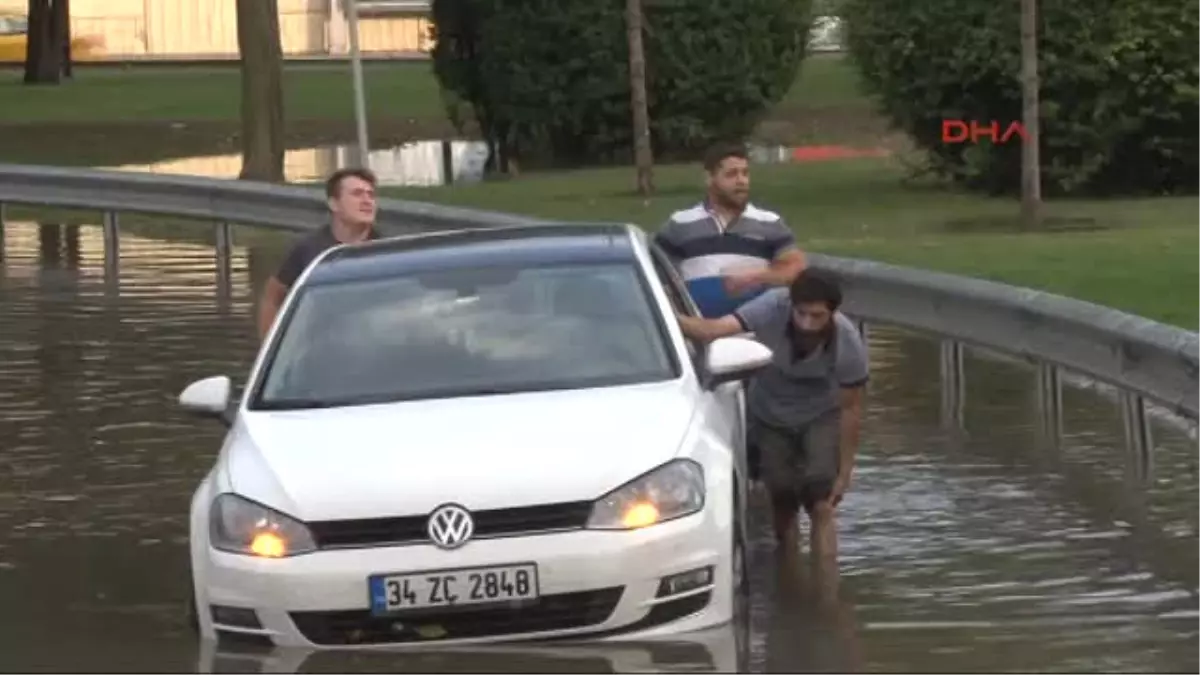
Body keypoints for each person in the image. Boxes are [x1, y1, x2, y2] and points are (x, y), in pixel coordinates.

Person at [675, 270, 868, 565]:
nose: (807, 324)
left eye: (817, 316)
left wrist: (845, 472)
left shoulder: (847, 341)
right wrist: (658, 313)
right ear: (790, 305)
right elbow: (710, 330)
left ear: (832, 312)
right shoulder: (770, 307)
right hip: (768, 414)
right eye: (801, 314)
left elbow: (851, 408)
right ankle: (788, 573)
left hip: (821, 415)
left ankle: (826, 589)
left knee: (822, 502)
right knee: (782, 498)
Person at [653, 142, 807, 319]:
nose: (741, 180)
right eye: (731, 174)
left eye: (745, 173)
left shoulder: (769, 223)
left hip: (755, 328)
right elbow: (657, 273)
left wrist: (756, 277)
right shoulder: (680, 223)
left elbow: (795, 268)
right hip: (694, 326)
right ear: (709, 178)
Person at [256, 167, 380, 339]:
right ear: (334, 203)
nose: (367, 201)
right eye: (357, 194)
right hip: (321, 348)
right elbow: (272, 297)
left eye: (371, 195)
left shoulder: (386, 250)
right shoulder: (309, 249)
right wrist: (271, 350)